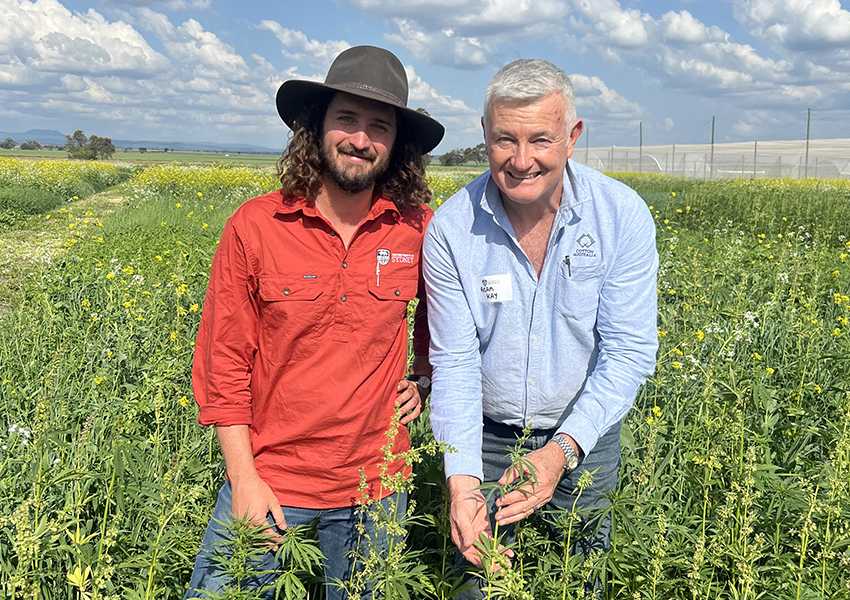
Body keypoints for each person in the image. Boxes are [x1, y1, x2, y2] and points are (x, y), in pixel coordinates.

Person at [185, 45, 444, 599]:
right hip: (272, 480)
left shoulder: (420, 228)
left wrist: (425, 376)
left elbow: (448, 323)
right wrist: (244, 479)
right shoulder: (255, 226)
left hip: (377, 490)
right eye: (346, 119)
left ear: (397, 145)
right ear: (316, 126)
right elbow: (223, 363)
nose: (360, 138)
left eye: (380, 126)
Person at [423, 58, 658, 596]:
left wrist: (561, 451)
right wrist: (462, 485)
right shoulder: (452, 229)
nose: (521, 160)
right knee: (475, 581)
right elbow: (454, 362)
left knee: (577, 578)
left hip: (583, 437)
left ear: (573, 137)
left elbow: (627, 352)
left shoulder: (620, 216)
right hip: (482, 438)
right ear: (484, 135)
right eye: (505, 139)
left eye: (541, 140)